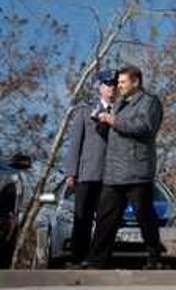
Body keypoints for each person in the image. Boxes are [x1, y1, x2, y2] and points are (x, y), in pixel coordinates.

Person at [83, 65, 165, 269]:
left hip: (137, 171)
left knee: (144, 216)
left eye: (122, 82)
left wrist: (113, 120)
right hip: (113, 172)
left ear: (135, 82)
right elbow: (113, 131)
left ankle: (154, 257)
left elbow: (145, 127)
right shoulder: (119, 103)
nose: (118, 86)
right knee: (105, 218)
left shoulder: (150, 102)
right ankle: (96, 261)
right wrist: (101, 122)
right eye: (117, 83)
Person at [63, 70, 116, 265]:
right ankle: (78, 257)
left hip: (112, 176)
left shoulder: (120, 112)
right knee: (82, 217)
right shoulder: (85, 111)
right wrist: (71, 172)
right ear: (100, 87)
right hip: (87, 174)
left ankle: (99, 259)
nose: (112, 88)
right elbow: (75, 143)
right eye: (108, 85)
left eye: (114, 85)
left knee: (106, 220)